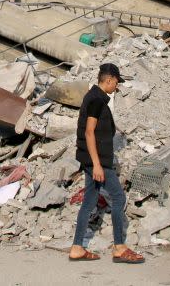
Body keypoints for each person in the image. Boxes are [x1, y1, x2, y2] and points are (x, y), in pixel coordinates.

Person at [67, 63, 145, 263]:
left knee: (90, 201)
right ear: (108, 80)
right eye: (116, 82)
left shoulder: (95, 98)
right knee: (119, 198)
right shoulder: (96, 100)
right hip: (97, 161)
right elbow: (89, 132)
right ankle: (119, 247)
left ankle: (77, 248)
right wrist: (97, 165)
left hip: (91, 159)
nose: (116, 87)